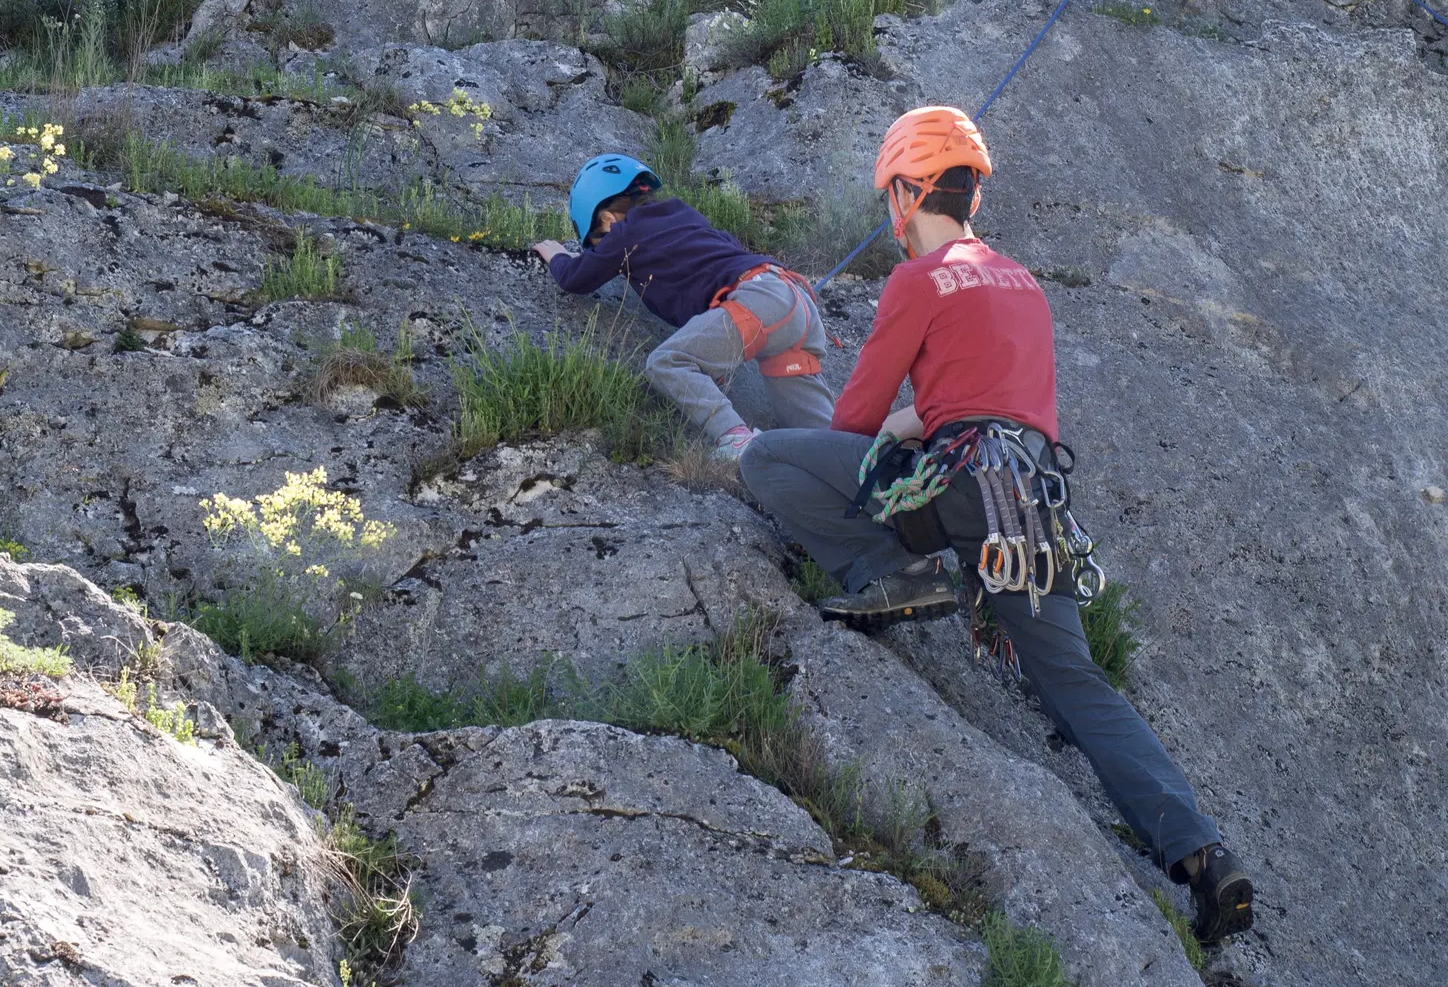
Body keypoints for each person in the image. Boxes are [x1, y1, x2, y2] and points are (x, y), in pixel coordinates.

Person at [737, 106, 1255, 943]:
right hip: (1032, 508)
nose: (890, 221)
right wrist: (925, 416)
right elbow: (1000, 401)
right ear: (970, 190)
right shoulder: (1021, 282)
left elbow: (854, 421)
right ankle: (1203, 856)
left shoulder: (916, 280)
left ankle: (892, 574)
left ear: (908, 191)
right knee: (1077, 686)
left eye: (889, 201)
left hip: (962, 486)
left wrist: (895, 426)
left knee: (767, 460)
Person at [530, 154, 833, 459]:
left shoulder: (622, 233)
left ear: (606, 220)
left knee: (667, 362)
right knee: (821, 439)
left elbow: (575, 279)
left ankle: (736, 440)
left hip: (757, 304)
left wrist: (557, 255)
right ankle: (859, 482)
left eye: (596, 244)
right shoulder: (684, 215)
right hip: (793, 301)